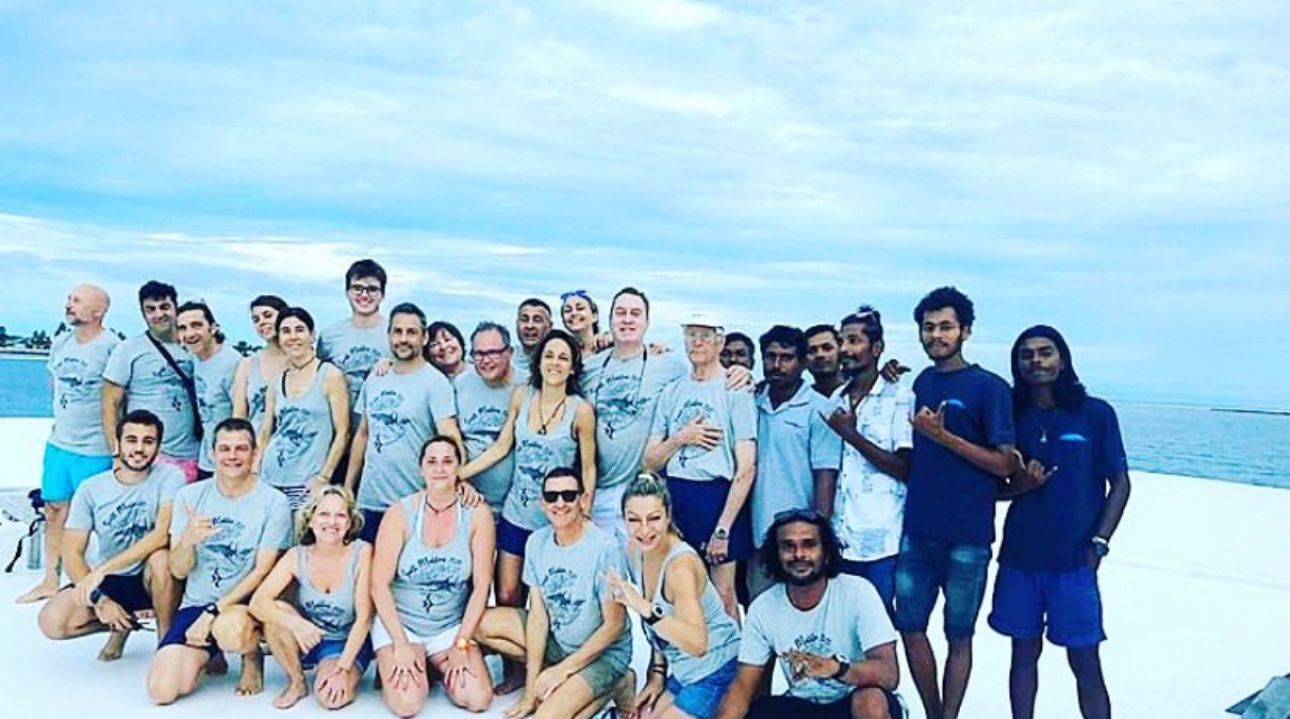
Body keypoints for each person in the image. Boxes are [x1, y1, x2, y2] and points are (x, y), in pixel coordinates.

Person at [988, 326, 1131, 719]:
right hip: (1020, 557)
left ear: (1062, 359)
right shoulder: (1011, 416)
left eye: (1045, 352)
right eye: (1026, 355)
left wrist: (1100, 542)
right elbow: (990, 489)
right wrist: (1022, 484)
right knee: (1022, 656)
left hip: (1075, 562)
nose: (1036, 361)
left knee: (1085, 663)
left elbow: (1119, 482)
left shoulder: (1095, 412)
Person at [897, 287, 1019, 719]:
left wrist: (943, 437)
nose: (936, 335)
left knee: (959, 635)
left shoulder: (989, 387)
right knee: (910, 627)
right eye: (928, 328)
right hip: (917, 530)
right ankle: (934, 714)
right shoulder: (922, 382)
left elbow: (1005, 462)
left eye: (945, 326)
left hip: (968, 535)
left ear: (965, 331)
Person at [146, 417, 293, 704]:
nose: (233, 456)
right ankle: (208, 655)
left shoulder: (273, 501)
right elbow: (177, 569)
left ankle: (251, 656)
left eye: (241, 448)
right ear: (212, 453)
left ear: (254, 453)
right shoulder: (189, 496)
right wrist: (187, 540)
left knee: (230, 631)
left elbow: (263, 571)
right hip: (196, 603)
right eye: (225, 449)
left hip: (242, 606)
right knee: (161, 691)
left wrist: (213, 612)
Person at [475, 467, 635, 719]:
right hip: (560, 644)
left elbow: (614, 626)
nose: (560, 503)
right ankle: (567, 682)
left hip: (604, 655)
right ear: (542, 504)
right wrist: (530, 692)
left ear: (583, 500)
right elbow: (538, 619)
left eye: (569, 495)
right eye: (552, 497)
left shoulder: (606, 548)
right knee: (481, 624)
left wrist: (563, 670)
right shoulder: (537, 542)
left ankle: (618, 682)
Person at [714, 509, 903, 719]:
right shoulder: (763, 608)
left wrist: (836, 669)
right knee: (759, 710)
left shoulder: (858, 591)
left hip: (852, 703)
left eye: (809, 544)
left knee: (871, 701)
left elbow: (889, 673)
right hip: (802, 705)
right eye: (788, 546)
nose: (799, 555)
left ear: (827, 552)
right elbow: (742, 687)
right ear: (775, 554)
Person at [461, 328, 596, 607]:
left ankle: (541, 651)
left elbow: (588, 467)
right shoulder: (522, 396)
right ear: (538, 362)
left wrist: (585, 508)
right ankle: (515, 652)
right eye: (548, 355)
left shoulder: (580, 410)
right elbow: (501, 447)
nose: (554, 363)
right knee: (507, 595)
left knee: (545, 600)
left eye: (562, 358)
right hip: (516, 513)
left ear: (572, 368)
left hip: (556, 516)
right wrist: (457, 476)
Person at [36, 410, 183, 661]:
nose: (139, 449)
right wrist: (100, 600)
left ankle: (166, 644)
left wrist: (102, 570)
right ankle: (122, 624)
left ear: (158, 447)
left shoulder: (171, 477)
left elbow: (161, 536)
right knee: (52, 622)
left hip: (152, 577)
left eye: (148, 441)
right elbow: (72, 553)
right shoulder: (91, 488)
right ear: (117, 444)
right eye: (131, 440)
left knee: (161, 559)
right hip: (112, 578)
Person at [370, 436, 496, 715]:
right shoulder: (400, 513)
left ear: (458, 468)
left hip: (449, 626)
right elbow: (378, 585)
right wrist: (400, 643)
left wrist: (462, 643)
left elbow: (481, 586)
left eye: (448, 461)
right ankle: (411, 661)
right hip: (402, 624)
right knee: (407, 704)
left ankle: (432, 662)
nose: (440, 468)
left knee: (478, 699)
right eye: (432, 461)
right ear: (421, 469)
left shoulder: (477, 514)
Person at [643, 313, 756, 620]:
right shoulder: (672, 392)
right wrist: (681, 438)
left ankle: (731, 667)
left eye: (705, 335)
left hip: (719, 497)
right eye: (691, 335)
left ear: (720, 342)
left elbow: (746, 467)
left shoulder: (736, 390)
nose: (697, 342)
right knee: (676, 592)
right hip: (677, 495)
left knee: (723, 598)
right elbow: (650, 461)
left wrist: (723, 528)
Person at [607, 473, 740, 719]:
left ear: (668, 516)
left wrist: (644, 608)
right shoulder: (636, 550)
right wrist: (657, 675)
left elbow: (697, 644)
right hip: (682, 671)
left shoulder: (680, 566)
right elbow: (661, 634)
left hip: (715, 669)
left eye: (654, 518)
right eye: (634, 520)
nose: (644, 530)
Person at [17, 283, 120, 604]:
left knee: (99, 520)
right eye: (69, 299)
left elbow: (120, 397)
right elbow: (54, 385)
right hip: (60, 444)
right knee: (54, 510)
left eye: (76, 301)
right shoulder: (61, 342)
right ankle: (51, 578)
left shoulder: (112, 347)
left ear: (97, 311)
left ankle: (100, 584)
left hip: (96, 449)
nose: (69, 305)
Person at [818, 307, 912, 616]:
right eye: (842, 340)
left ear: (877, 348)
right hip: (838, 539)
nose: (845, 349)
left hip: (881, 543)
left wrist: (852, 435)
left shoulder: (900, 397)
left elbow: (905, 468)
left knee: (878, 634)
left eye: (854, 341)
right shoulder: (835, 401)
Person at [345, 303, 463, 542]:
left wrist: (457, 482)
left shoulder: (435, 382)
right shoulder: (376, 377)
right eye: (397, 332)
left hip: (414, 501)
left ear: (424, 337)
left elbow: (451, 438)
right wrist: (349, 487)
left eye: (411, 332)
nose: (403, 339)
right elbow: (363, 435)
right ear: (389, 335)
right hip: (370, 501)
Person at [250, 486, 375, 710]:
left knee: (331, 697)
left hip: (344, 642)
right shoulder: (296, 556)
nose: (332, 522)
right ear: (311, 520)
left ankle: (329, 669)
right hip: (309, 637)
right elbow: (258, 603)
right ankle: (297, 681)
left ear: (349, 523)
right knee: (275, 611)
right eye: (324, 514)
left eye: (340, 515)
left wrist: (342, 669)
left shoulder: (362, 552)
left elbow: (364, 618)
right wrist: (297, 624)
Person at [580, 287, 687, 543]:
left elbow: (703, 378)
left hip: (644, 491)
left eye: (635, 313)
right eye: (621, 313)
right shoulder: (589, 368)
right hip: (599, 491)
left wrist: (739, 374)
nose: (627, 319)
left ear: (647, 322)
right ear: (609, 321)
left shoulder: (669, 365)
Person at [749, 325, 840, 599]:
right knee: (761, 612)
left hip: (799, 540)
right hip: (757, 536)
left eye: (786, 357)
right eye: (770, 356)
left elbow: (826, 475)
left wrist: (818, 535)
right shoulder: (751, 401)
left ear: (802, 363)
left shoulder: (819, 409)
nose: (777, 365)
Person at [102, 280, 200, 482]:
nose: (158, 314)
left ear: (176, 307)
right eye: (151, 310)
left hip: (194, 453)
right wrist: (117, 453)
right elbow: (110, 403)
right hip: (149, 454)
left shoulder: (194, 347)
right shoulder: (128, 350)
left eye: (164, 307)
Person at [257, 307, 350, 509]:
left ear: (312, 335)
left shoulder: (329, 375)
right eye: (286, 331)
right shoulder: (276, 381)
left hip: (308, 482)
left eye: (299, 330)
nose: (293, 337)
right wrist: (255, 472)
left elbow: (343, 433)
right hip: (270, 478)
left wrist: (324, 477)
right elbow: (265, 433)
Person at [455, 321, 525, 515]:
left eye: (493, 352)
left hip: (515, 508)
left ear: (510, 352)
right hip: (468, 501)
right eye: (479, 354)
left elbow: (503, 447)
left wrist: (456, 476)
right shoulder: (460, 384)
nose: (485, 360)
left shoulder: (527, 386)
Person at [177, 301, 241, 482]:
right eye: (182, 328)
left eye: (196, 326)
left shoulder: (232, 363)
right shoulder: (196, 359)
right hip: (206, 459)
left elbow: (242, 416)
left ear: (213, 328)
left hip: (230, 463)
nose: (189, 334)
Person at [317, 258, 391, 413]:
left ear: (382, 295)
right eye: (357, 288)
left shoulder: (396, 333)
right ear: (347, 293)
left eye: (372, 289)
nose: (364, 295)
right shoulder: (329, 335)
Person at [231, 294, 289, 433]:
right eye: (256, 320)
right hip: (256, 445)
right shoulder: (247, 365)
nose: (262, 322)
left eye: (268, 315)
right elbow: (239, 416)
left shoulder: (302, 361)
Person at [513, 297, 553, 377]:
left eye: (537, 320)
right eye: (524, 319)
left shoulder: (558, 361)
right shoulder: (505, 359)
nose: (530, 326)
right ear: (517, 324)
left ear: (549, 326)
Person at [805, 324, 845, 398]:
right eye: (812, 351)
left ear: (840, 351)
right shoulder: (800, 398)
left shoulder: (858, 391)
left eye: (827, 348)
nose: (820, 355)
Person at [559, 289, 602, 356]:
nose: (573, 313)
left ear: (594, 316)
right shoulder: (563, 352)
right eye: (568, 310)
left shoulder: (608, 345)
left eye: (580, 308)